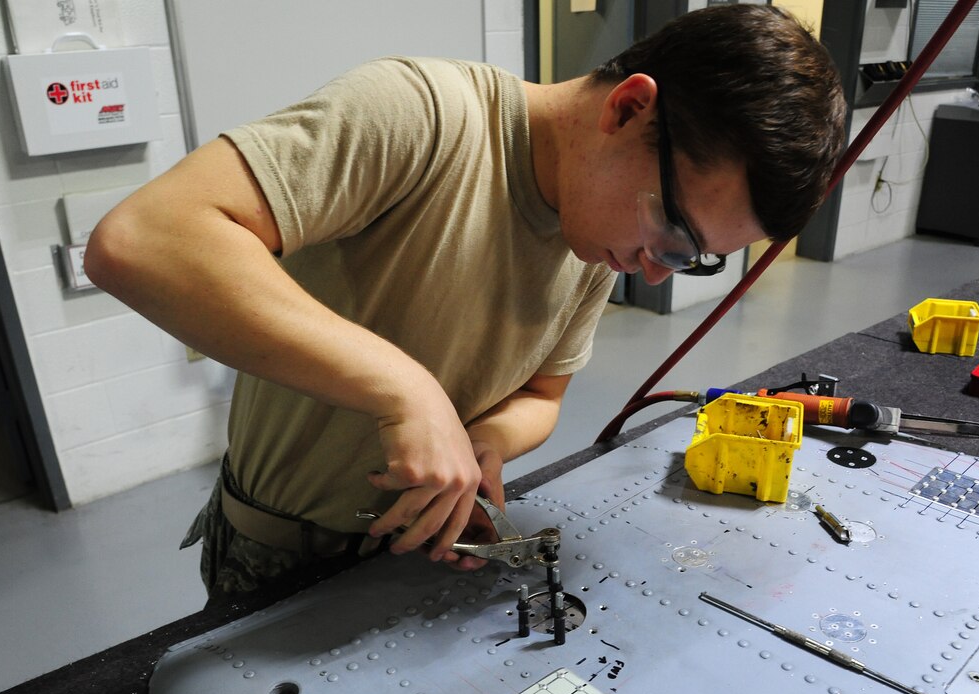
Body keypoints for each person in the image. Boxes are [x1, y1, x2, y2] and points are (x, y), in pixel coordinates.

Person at [84, 5, 846, 598]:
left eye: (690, 258)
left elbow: (543, 395)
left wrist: (482, 444)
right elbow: (142, 239)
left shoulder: (594, 234)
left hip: (427, 550)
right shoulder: (420, 116)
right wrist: (404, 389)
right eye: (671, 230)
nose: (654, 272)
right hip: (280, 552)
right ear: (626, 111)